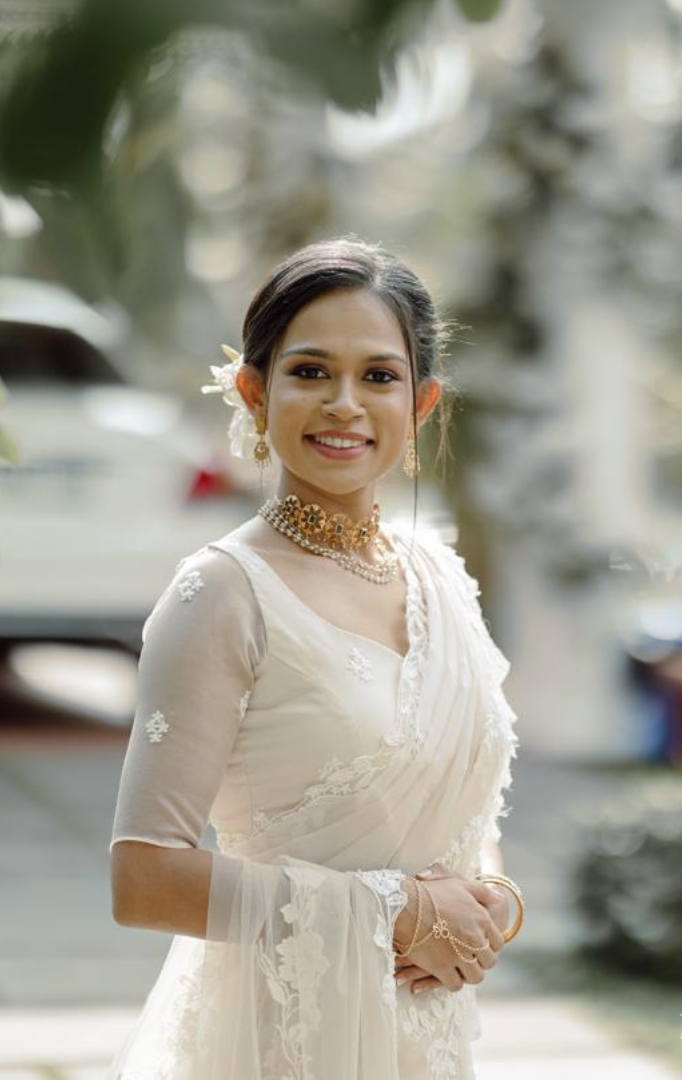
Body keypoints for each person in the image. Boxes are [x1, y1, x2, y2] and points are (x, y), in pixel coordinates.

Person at [106, 236, 523, 1079]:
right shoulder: (222, 594)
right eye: (309, 372)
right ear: (255, 393)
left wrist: (494, 907)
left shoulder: (439, 575)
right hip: (275, 1038)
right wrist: (397, 912)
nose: (344, 403)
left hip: (425, 1033)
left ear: (423, 404)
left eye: (378, 376)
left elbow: (468, 813)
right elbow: (142, 881)